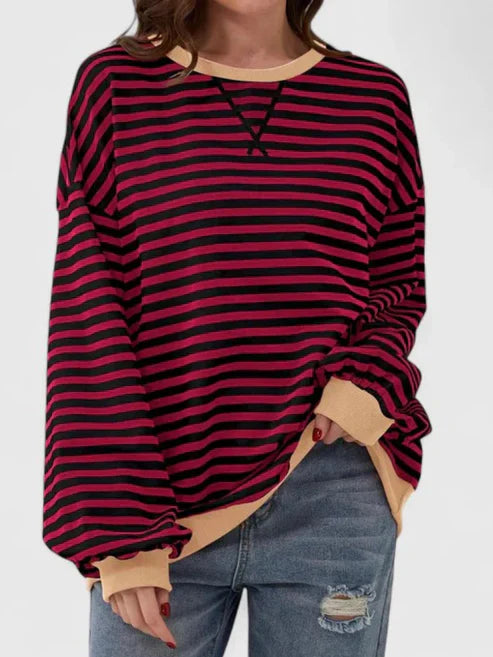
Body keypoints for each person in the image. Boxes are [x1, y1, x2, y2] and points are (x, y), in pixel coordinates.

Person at [43, 1, 432, 654]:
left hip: (329, 487)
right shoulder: (116, 86)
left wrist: (362, 384)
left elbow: (396, 282)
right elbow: (88, 308)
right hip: (160, 500)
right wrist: (120, 532)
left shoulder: (372, 99)